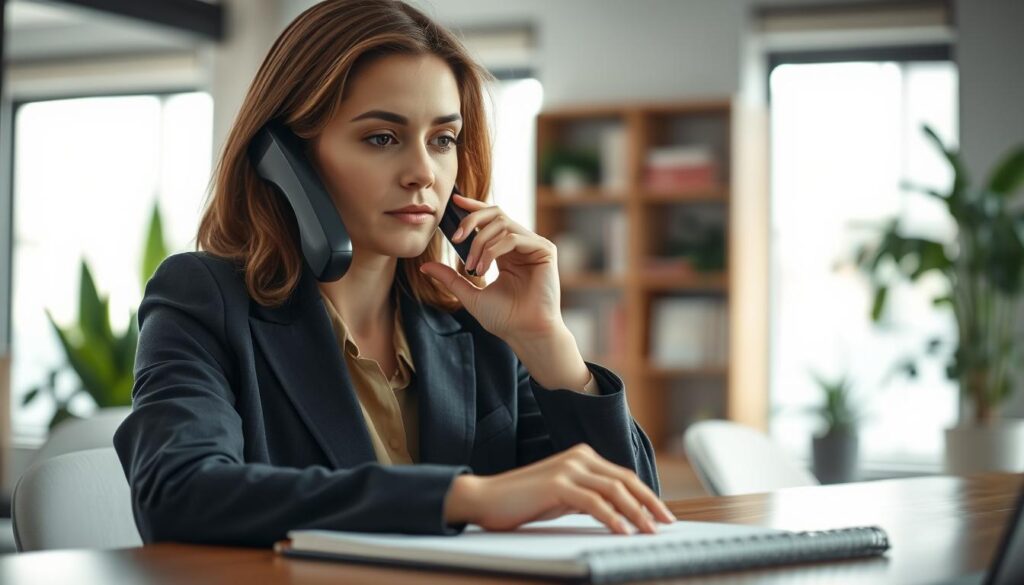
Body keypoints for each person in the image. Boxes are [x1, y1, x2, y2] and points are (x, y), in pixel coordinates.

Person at [114, 0, 672, 548]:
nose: (423, 174)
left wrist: (548, 344)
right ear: (283, 156)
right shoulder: (204, 300)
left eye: (443, 140)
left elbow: (633, 513)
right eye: (382, 137)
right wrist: (463, 498)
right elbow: (178, 492)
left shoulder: (479, 325)